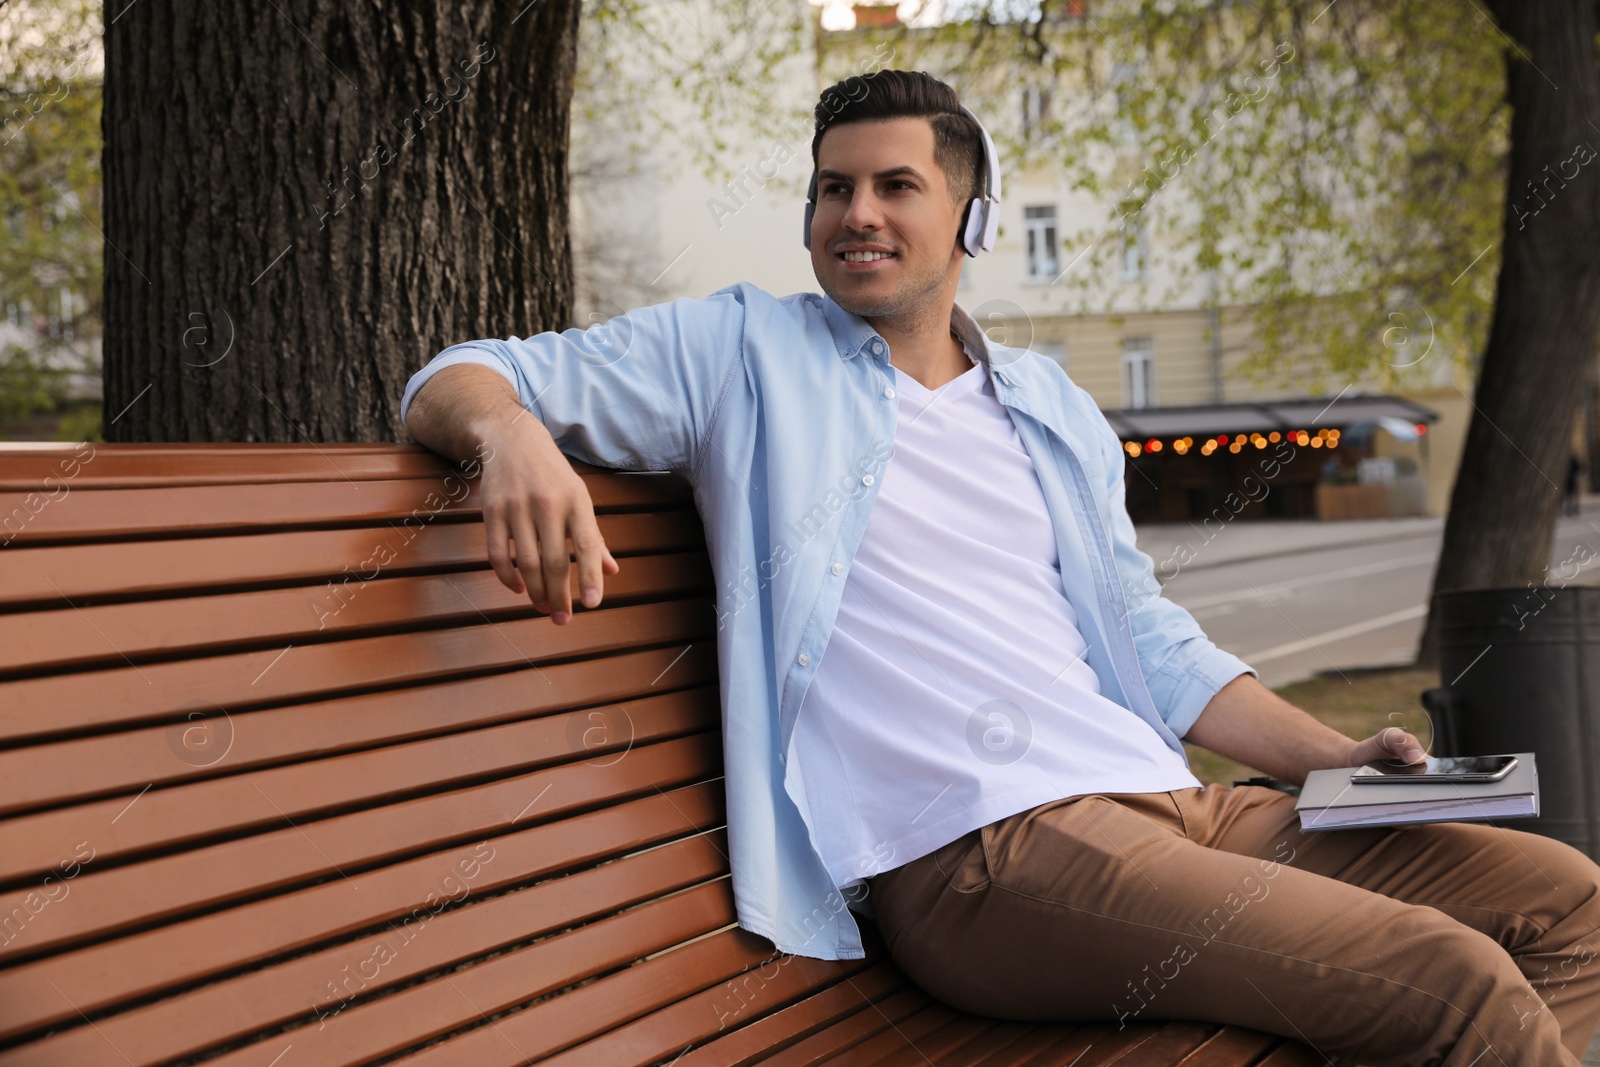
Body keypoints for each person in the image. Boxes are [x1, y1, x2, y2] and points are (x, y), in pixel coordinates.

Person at [399, 70, 1600, 1066]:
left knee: (1563, 899)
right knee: (1451, 982)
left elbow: (1144, 632)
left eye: (893, 186)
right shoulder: (739, 351)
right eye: (832, 188)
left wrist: (1335, 760)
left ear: (970, 221)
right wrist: (511, 436)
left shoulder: (1045, 403)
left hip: (1176, 808)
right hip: (984, 855)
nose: (854, 212)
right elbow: (458, 373)